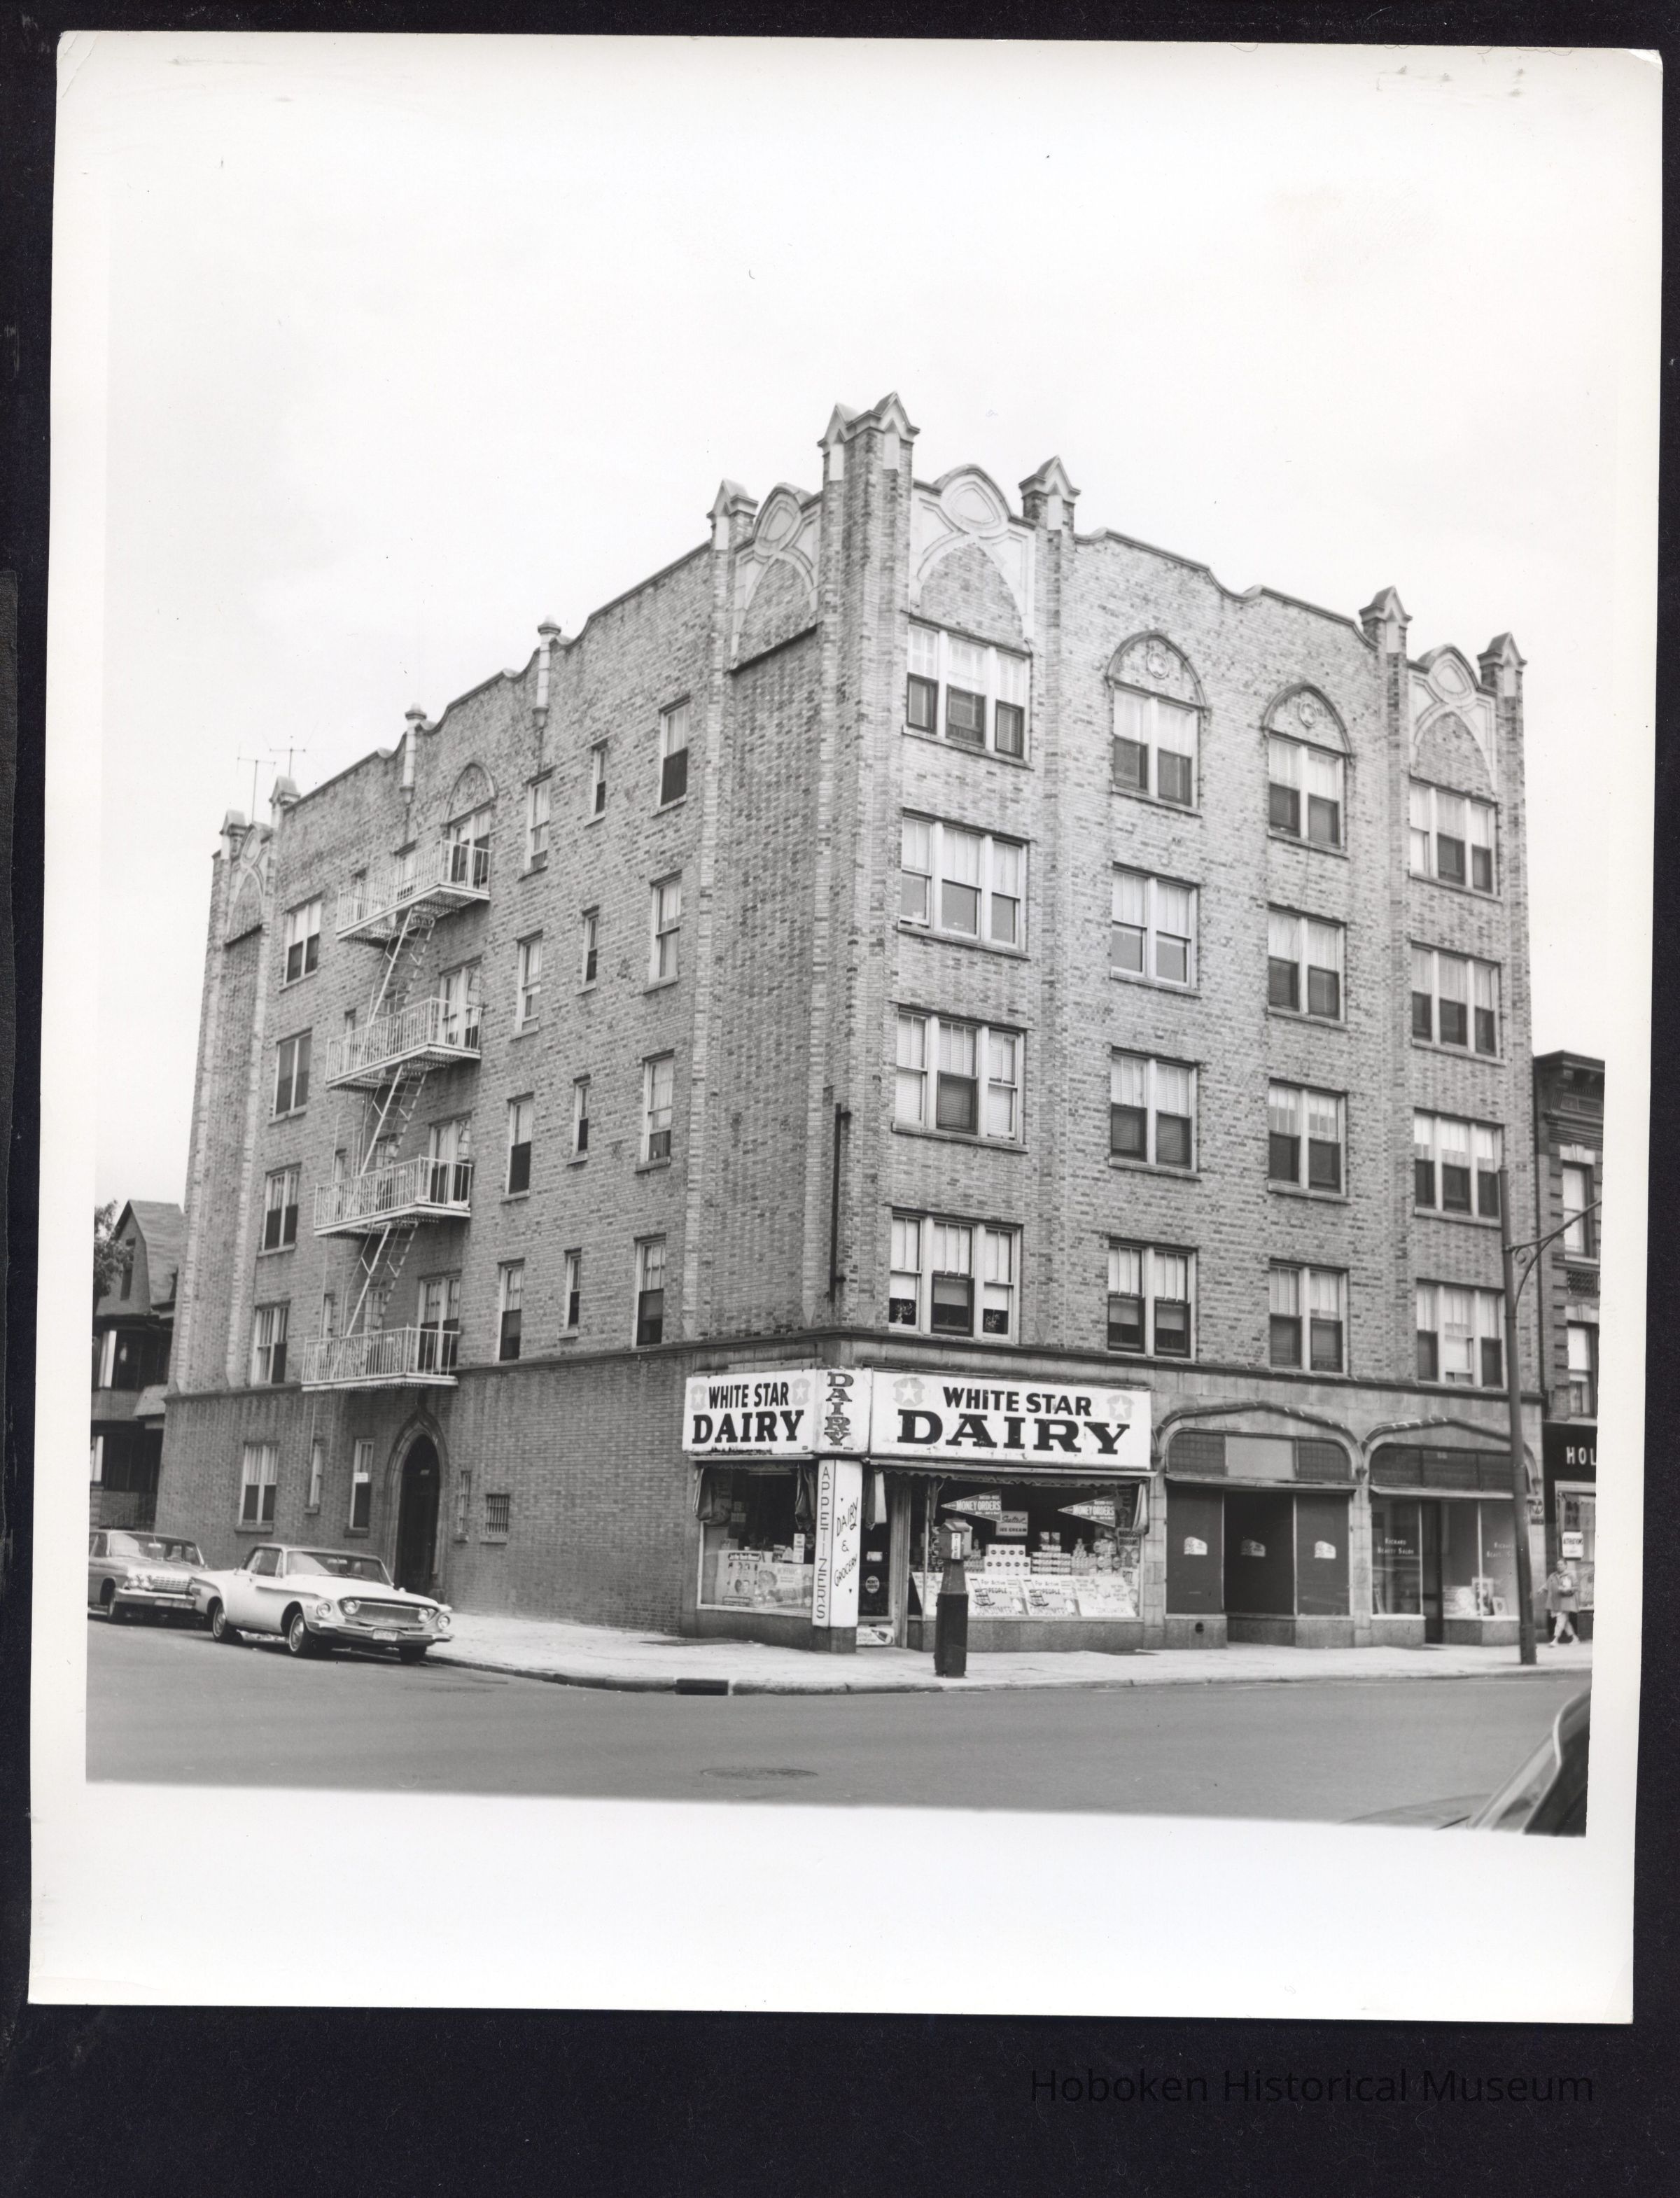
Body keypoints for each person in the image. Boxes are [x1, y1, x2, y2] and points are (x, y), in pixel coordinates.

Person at [1545, 1559, 1580, 1645]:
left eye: (1561, 1565)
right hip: (1556, 1602)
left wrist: (1568, 1589)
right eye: (1558, 1565)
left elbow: (1576, 1587)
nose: (1559, 1566)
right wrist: (1541, 1589)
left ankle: (1555, 1640)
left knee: (1560, 1620)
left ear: (1566, 1566)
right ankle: (1575, 1639)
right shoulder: (1553, 1576)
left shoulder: (1570, 1576)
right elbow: (1547, 1585)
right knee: (1565, 1622)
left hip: (1566, 1602)